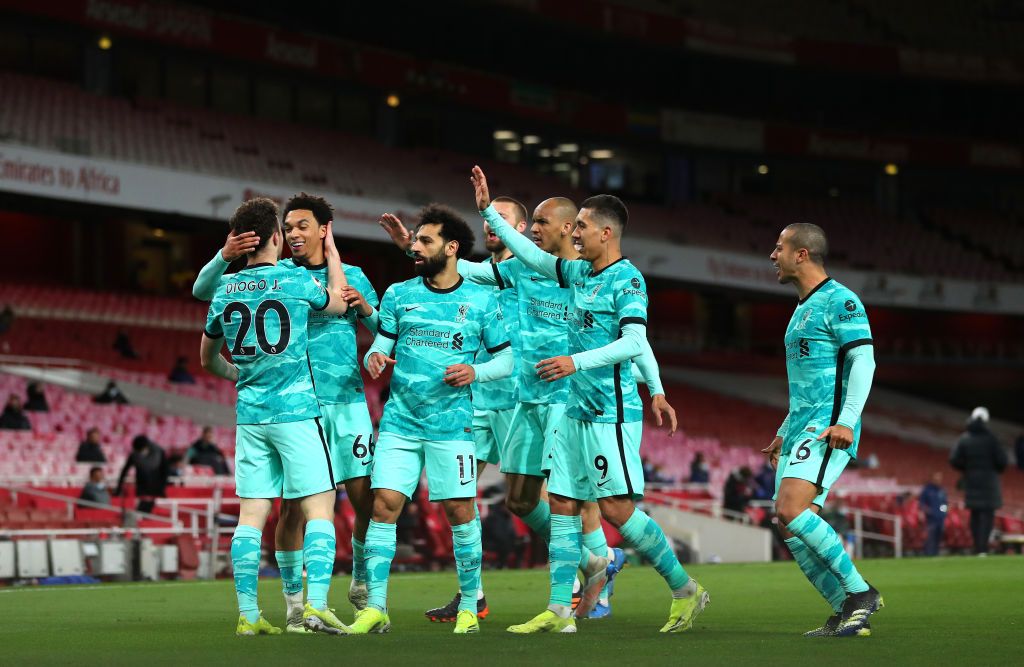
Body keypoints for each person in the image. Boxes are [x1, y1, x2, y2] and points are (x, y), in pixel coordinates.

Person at [380, 195, 672, 621]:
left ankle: (584, 580)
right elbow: (455, 267)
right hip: (499, 396)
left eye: (515, 221)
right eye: (490, 220)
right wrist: (415, 247)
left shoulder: (580, 274)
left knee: (569, 497)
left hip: (567, 396)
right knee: (498, 500)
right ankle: (578, 566)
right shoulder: (510, 272)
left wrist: (655, 385)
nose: (493, 229)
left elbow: (632, 337)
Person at [471, 166, 702, 635]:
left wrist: (584, 365)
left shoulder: (628, 280)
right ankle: (559, 610)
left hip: (610, 410)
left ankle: (685, 589)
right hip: (572, 406)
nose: (574, 234)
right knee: (560, 502)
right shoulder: (578, 273)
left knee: (616, 509)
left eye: (581, 227)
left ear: (605, 232)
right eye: (571, 227)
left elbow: (635, 342)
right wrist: (489, 216)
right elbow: (532, 258)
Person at [194, 193, 381, 631]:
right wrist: (334, 257)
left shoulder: (225, 288)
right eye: (288, 228)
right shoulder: (294, 281)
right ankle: (312, 603)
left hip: (252, 415)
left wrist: (238, 376)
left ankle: (248, 616)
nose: (294, 234)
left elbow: (206, 357)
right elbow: (337, 301)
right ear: (277, 235)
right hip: (298, 410)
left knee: (251, 516)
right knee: (319, 507)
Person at [353, 203, 514, 636]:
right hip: (400, 423)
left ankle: (468, 606)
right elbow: (381, 342)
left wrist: (474, 371)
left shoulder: (480, 299)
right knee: (383, 506)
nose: (416, 246)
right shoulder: (399, 294)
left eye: (425, 240)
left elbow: (507, 360)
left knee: (460, 512)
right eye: (416, 240)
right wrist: (374, 357)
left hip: (452, 425)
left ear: (452, 247)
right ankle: (377, 607)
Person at [761, 222, 881, 637]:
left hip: (828, 427)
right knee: (788, 521)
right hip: (802, 427)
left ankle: (859, 591)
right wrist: (783, 429)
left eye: (779, 248)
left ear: (802, 255)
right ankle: (846, 609)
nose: (772, 255)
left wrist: (846, 421)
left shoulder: (841, 301)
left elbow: (863, 363)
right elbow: (806, 384)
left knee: (790, 509)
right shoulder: (800, 309)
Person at [950, 407, 1008, 556]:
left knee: (975, 515)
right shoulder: (991, 439)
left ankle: (977, 546)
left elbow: (954, 460)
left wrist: (968, 468)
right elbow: (1002, 461)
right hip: (989, 483)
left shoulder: (964, 438)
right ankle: (983, 548)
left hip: (972, 482)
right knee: (987, 515)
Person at [114, 435, 169, 514]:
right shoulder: (135, 455)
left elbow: (165, 471)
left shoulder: (159, 452)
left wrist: (162, 487)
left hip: (156, 487)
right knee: (142, 511)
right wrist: (118, 489)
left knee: (151, 511)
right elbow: (124, 471)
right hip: (142, 488)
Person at [483, 503, 526, 569]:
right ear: (503, 507)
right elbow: (497, 534)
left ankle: (517, 565)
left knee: (521, 545)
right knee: (505, 546)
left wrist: (517, 539)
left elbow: (511, 532)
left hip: (503, 541)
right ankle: (501, 564)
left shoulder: (507, 517)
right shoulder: (494, 518)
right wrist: (511, 540)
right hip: (490, 543)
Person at [919, 472, 948, 556]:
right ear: (932, 479)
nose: (938, 481)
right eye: (936, 479)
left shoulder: (942, 491)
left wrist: (943, 513)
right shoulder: (927, 490)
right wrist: (929, 511)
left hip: (940, 519)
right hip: (930, 520)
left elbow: (944, 504)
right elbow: (922, 504)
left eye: (939, 479)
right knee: (930, 538)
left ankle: (936, 554)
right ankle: (928, 555)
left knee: (938, 538)